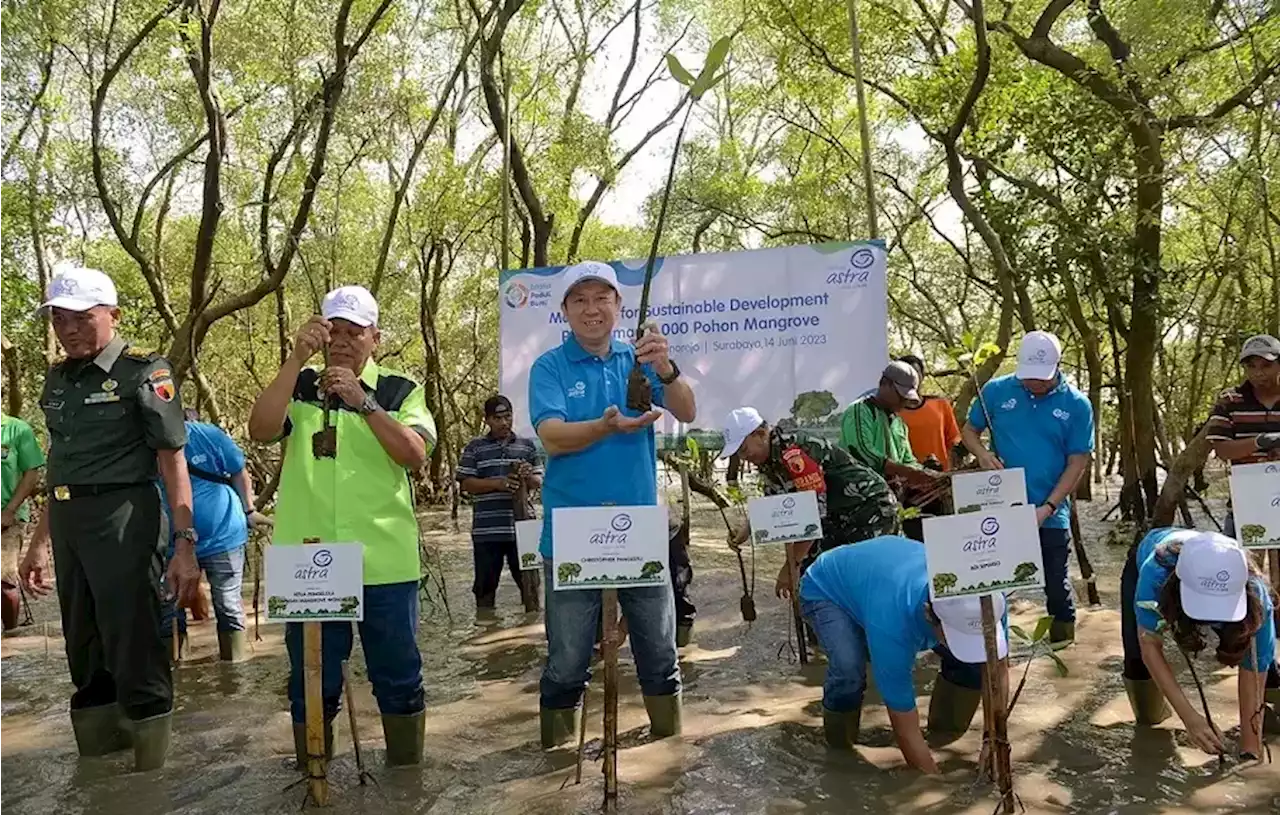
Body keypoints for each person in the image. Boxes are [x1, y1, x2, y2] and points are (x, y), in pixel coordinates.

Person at [18, 266, 199, 772]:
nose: (69, 328)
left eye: (81, 318)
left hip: (125, 517)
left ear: (112, 315)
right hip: (70, 520)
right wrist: (39, 543)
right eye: (59, 318)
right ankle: (99, 779)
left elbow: (172, 459)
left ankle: (149, 781)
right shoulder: (58, 377)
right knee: (84, 645)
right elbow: (60, 462)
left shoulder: (145, 372)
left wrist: (185, 546)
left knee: (134, 640)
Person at [248, 284, 436, 768]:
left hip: (384, 559)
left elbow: (415, 455)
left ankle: (406, 780)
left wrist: (363, 402)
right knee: (312, 678)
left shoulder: (400, 389)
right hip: (308, 560)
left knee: (397, 674)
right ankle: (314, 773)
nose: (345, 342)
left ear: (376, 337)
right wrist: (294, 360)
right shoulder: (302, 386)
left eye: (356, 332)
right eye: (335, 332)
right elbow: (261, 429)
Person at [528, 260, 696, 749]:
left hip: (638, 530)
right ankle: (556, 761)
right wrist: (604, 426)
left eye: (602, 297)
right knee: (566, 659)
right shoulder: (550, 366)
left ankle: (668, 756)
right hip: (570, 535)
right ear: (564, 311)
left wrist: (666, 368)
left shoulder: (641, 360)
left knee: (660, 654)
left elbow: (686, 410)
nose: (592, 308)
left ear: (619, 306)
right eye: (579, 300)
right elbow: (551, 437)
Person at [799, 535, 1008, 772]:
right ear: (930, 615)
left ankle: (945, 732)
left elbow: (997, 668)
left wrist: (994, 737)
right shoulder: (892, 624)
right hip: (827, 589)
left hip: (878, 578)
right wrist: (932, 780)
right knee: (849, 669)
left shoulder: (987, 598)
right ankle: (840, 746)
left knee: (971, 665)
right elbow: (903, 721)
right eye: (956, 636)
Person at [960, 330, 1093, 643]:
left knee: (1056, 588)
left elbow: (1077, 462)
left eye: (1042, 378)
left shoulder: (1077, 405)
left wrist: (1047, 508)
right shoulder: (994, 391)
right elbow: (969, 431)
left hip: (1050, 509)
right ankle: (994, 652)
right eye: (1028, 377)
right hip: (999, 508)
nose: (1034, 383)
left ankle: (1063, 649)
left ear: (1057, 367)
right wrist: (981, 454)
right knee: (992, 587)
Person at [1120, 528, 1275, 760]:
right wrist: (1190, 718)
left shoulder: (1256, 595)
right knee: (1138, 670)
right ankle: (1151, 719)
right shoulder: (1155, 574)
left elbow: (1255, 666)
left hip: (1231, 593)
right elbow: (1149, 645)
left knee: (1255, 653)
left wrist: (1250, 750)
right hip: (1152, 568)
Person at [719, 406, 899, 596]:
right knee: (816, 577)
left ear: (761, 434)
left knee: (861, 581)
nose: (744, 457)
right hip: (837, 515)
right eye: (739, 453)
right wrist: (745, 531)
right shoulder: (768, 458)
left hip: (869, 509)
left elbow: (812, 514)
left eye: (744, 449)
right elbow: (774, 502)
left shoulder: (793, 451)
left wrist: (791, 566)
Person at [1203, 333, 1280, 695]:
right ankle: (1251, 653)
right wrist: (1260, 443)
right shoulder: (1231, 401)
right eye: (1251, 365)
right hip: (1247, 503)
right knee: (1245, 580)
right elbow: (1221, 450)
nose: (1258, 372)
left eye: (1265, 364)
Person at [159, 409, 266, 662]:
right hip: (169, 543)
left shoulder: (208, 435)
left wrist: (249, 509)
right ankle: (177, 675)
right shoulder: (140, 444)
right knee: (168, 612)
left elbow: (238, 471)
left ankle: (235, 672)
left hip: (223, 535)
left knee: (228, 605)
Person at [458, 395, 542, 616]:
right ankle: (485, 627)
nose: (504, 422)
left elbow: (538, 481)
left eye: (508, 416)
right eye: (498, 418)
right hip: (488, 531)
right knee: (485, 591)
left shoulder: (527, 447)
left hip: (523, 529)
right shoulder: (475, 448)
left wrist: (526, 476)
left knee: (531, 588)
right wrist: (498, 483)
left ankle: (531, 632)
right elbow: (466, 484)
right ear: (487, 420)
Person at [838, 360, 940, 492]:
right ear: (885, 384)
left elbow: (907, 460)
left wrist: (927, 472)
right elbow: (863, 452)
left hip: (890, 498)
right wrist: (906, 471)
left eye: (907, 397)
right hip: (859, 495)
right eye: (901, 395)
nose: (904, 401)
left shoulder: (899, 424)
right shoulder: (860, 411)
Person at [897, 355, 962, 472]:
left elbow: (954, 440)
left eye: (915, 373)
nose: (911, 378)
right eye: (906, 374)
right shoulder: (892, 412)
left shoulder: (940, 405)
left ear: (922, 376)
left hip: (942, 477)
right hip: (907, 480)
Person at [1, 403, 44, 578]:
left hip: (7, 518)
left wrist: (10, 510)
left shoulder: (18, 429)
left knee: (4, 581)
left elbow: (31, 474)